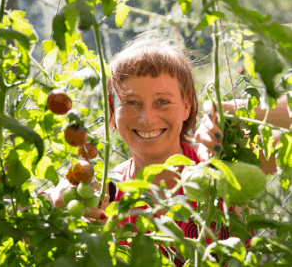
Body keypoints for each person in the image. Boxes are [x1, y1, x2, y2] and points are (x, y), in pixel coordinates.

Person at [46, 30, 290, 265]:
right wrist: (55, 205)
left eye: (162, 102)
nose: (147, 119)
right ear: (112, 112)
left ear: (186, 106)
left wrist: (245, 111)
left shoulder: (223, 164)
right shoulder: (104, 195)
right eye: (131, 103)